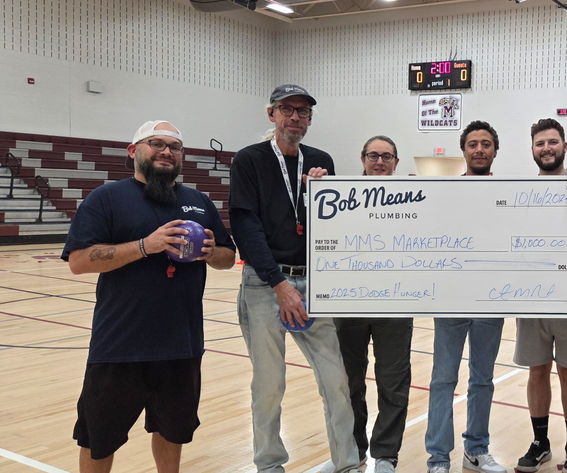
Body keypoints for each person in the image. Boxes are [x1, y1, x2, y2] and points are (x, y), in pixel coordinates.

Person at [62, 120, 236, 473]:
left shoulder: (198, 202)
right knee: (99, 439)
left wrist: (208, 251)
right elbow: (79, 262)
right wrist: (147, 245)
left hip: (182, 345)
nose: (166, 152)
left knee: (174, 432)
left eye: (174, 146)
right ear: (134, 151)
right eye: (156, 143)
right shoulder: (106, 198)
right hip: (120, 346)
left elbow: (228, 258)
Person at [229, 84, 361, 473]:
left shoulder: (320, 162)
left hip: (314, 285)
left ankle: (348, 464)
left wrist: (320, 194)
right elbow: (245, 225)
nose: (295, 118)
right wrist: (279, 285)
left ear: (309, 120)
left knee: (336, 381)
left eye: (303, 112)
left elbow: (331, 228)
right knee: (269, 385)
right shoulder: (249, 160)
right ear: (271, 115)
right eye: (287, 110)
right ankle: (269, 464)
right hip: (264, 285)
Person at [425, 120, 507, 473]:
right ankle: (438, 457)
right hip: (451, 301)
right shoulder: (445, 194)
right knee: (443, 378)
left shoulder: (510, 195)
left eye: (485, 144)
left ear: (494, 150)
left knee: (482, 379)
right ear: (464, 151)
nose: (478, 149)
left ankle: (476, 450)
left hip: (491, 301)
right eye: (472, 144)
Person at [334, 135, 412, 473]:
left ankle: (386, 455)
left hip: (396, 304)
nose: (379, 162)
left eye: (386, 156)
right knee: (349, 382)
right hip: (349, 304)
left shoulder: (413, 200)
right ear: (362, 159)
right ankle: (353, 451)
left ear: (396, 162)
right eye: (373, 155)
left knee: (393, 382)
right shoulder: (338, 197)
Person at [513, 118, 567, 472]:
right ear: (532, 150)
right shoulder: (520, 193)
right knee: (536, 371)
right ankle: (540, 442)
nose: (547, 148)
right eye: (540, 143)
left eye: (552, 142)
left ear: (565, 147)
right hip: (531, 297)